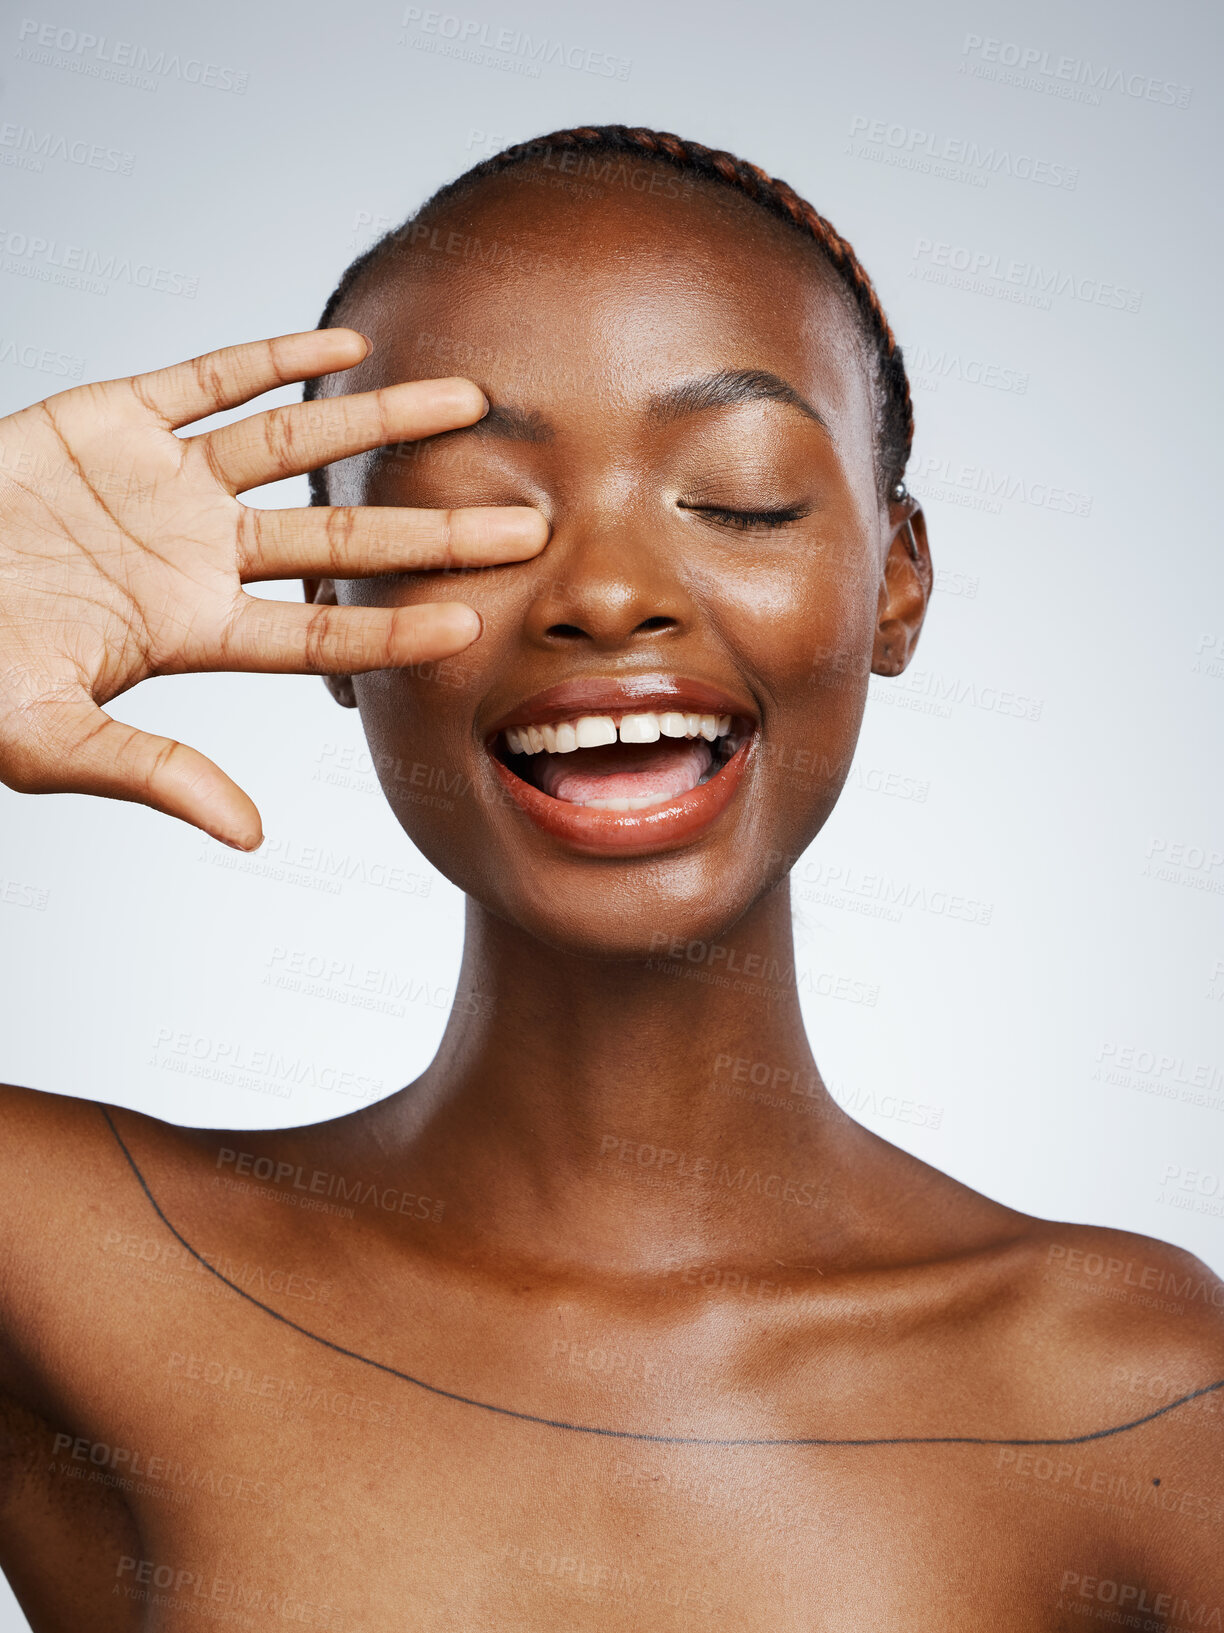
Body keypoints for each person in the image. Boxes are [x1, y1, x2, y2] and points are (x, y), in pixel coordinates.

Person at [0, 124, 1220, 1630]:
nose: (606, 593)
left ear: (895, 580)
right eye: (469, 509)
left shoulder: (1135, 1388)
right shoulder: (71, 1261)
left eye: (741, 495)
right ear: (328, 587)